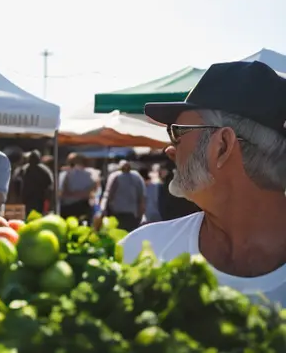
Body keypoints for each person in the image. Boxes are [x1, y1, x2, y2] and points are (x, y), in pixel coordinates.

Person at [120, 60, 286, 305]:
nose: (169, 149)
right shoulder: (140, 251)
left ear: (222, 146)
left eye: (177, 133)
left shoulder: (147, 253)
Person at [99, 160, 147, 231]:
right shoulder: (134, 177)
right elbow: (109, 194)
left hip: (124, 211)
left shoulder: (118, 176)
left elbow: (109, 194)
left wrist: (104, 208)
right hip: (123, 212)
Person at [58, 153, 97, 222]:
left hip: (68, 207)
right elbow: (93, 190)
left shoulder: (64, 174)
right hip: (83, 205)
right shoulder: (90, 174)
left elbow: (61, 192)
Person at [19, 150, 55, 215]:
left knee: (35, 213)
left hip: (38, 196)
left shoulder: (25, 169)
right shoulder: (25, 169)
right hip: (31, 196)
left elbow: (49, 184)